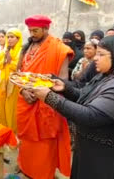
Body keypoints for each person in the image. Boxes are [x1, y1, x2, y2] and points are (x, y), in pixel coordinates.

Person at [32, 35, 114, 179]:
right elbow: (87, 97)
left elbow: (91, 116)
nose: (95, 58)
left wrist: (49, 97)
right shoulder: (110, 76)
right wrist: (65, 88)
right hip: (94, 152)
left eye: (101, 54)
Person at [16, 15, 74, 179]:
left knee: (44, 146)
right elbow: (17, 75)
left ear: (46, 29)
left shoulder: (59, 49)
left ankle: (42, 174)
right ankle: (25, 168)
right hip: (26, 103)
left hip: (46, 105)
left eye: (36, 30)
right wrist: (23, 91)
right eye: (30, 30)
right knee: (27, 143)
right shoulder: (26, 48)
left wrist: (42, 93)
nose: (32, 34)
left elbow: (63, 82)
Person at [0, 28, 22, 133]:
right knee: (2, 109)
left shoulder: (22, 51)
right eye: (8, 37)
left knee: (11, 111)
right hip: (3, 84)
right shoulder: (4, 51)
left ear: (18, 38)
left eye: (12, 37)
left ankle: (13, 134)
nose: (9, 39)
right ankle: (4, 133)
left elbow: (20, 67)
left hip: (14, 86)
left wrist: (10, 61)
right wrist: (3, 62)